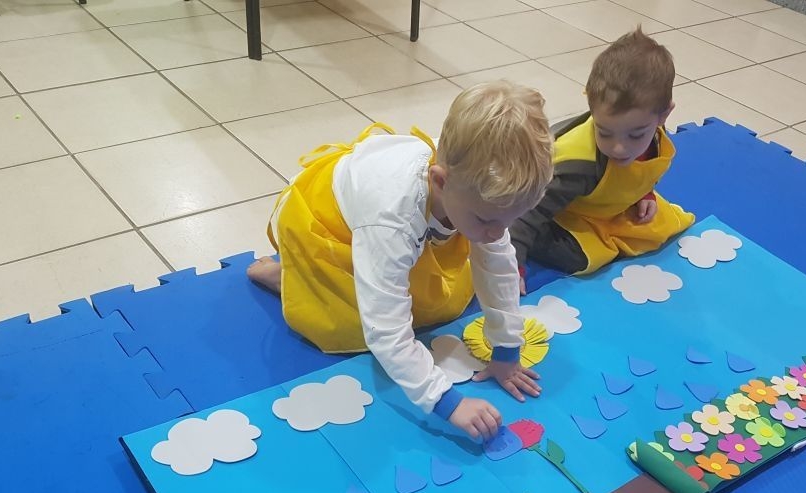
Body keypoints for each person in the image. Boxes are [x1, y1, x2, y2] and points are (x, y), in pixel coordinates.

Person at [248, 82, 553, 441]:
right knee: (349, 326)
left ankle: (311, 279)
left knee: (445, 297)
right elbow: (386, 331)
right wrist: (446, 402)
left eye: (509, 221)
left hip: (391, 229)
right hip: (324, 226)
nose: (498, 233)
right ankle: (295, 277)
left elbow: (498, 266)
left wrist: (506, 351)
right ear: (440, 182)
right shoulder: (392, 218)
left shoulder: (476, 192)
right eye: (487, 221)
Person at [510, 28, 694, 289]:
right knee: (575, 258)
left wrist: (645, 194)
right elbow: (527, 212)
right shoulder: (578, 165)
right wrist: (511, 267)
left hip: (603, 206)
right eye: (604, 132)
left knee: (665, 224)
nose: (619, 148)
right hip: (555, 210)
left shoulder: (655, 133)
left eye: (635, 135)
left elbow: (641, 174)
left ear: (663, 115)